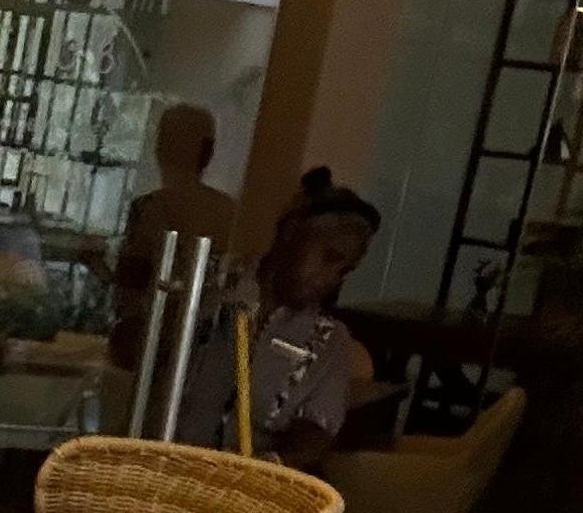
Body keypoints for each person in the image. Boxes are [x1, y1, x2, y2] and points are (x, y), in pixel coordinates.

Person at [174, 169, 381, 465]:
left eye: (344, 271)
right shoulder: (211, 288)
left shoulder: (329, 340)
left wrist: (268, 464)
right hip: (162, 465)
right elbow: (135, 350)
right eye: (329, 257)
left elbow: (317, 432)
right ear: (291, 231)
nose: (331, 279)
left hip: (245, 482)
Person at [109, 103, 237, 376]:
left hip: (176, 353)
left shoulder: (148, 209)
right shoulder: (228, 212)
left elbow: (129, 287)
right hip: (186, 354)